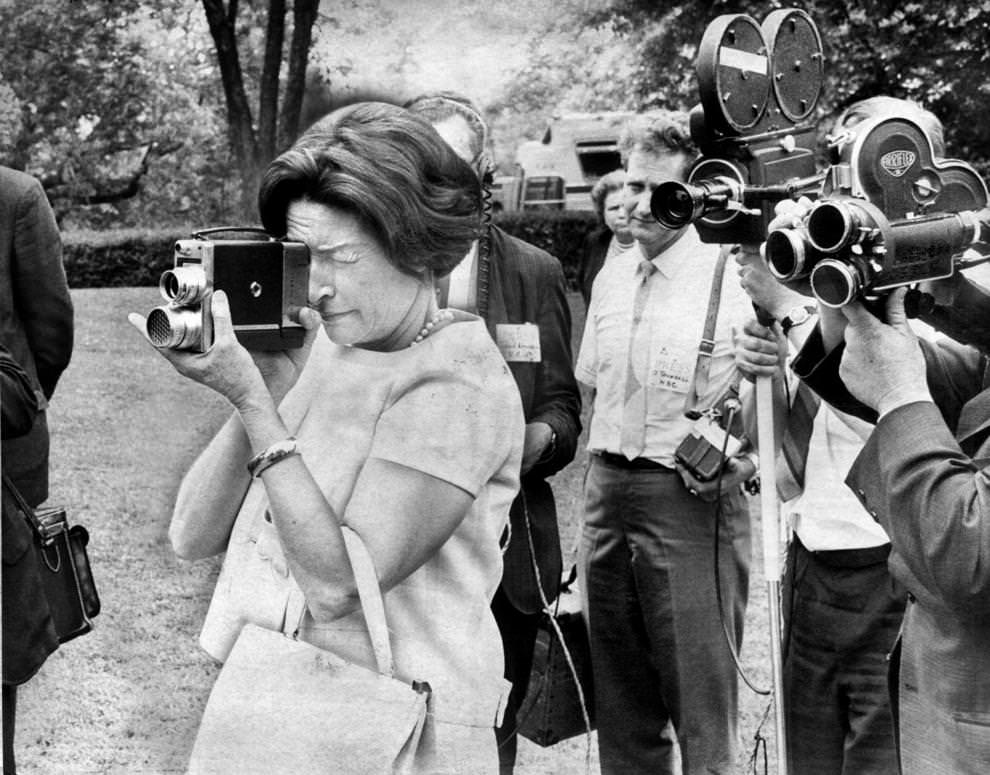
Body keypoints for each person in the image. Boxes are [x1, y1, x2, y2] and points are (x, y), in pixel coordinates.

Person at [128, 102, 526, 773]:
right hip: (281, 706)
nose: (316, 287)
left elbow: (338, 589)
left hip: (406, 735)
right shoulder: (330, 347)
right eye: (301, 256)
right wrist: (264, 387)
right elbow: (190, 533)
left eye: (339, 257)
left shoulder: (459, 384)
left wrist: (257, 401)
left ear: (418, 247)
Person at [735, 99, 990, 773]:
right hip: (833, 568)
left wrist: (900, 383)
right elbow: (883, 380)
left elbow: (970, 553)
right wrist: (838, 290)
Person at [404, 91, 582, 775]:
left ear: (481, 174)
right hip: (396, 544)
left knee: (486, 725)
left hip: (503, 550)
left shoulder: (532, 272)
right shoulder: (372, 267)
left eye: (451, 163)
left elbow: (565, 411)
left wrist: (520, 447)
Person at [574, 110, 755, 774]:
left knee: (702, 704)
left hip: (688, 502)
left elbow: (781, 398)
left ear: (696, 189)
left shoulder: (731, 275)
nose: (640, 204)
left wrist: (747, 458)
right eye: (632, 183)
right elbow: (594, 385)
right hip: (607, 494)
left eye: (660, 188)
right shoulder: (614, 274)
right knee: (620, 703)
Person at [735, 245, 905, 774]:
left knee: (880, 758)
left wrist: (791, 311)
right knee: (809, 756)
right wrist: (757, 371)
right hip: (812, 566)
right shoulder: (811, 304)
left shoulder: (913, 312)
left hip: (889, 573)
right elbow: (767, 439)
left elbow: (885, 414)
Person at [0, 165, 74, 775]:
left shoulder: (15, 196)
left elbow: (50, 333)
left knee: (3, 631)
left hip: (5, 451)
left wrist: (16, 408)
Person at [578, 169, 634, 307]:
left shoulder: (656, 244)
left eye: (627, 206)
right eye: (614, 208)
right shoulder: (594, 242)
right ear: (602, 213)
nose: (621, 214)